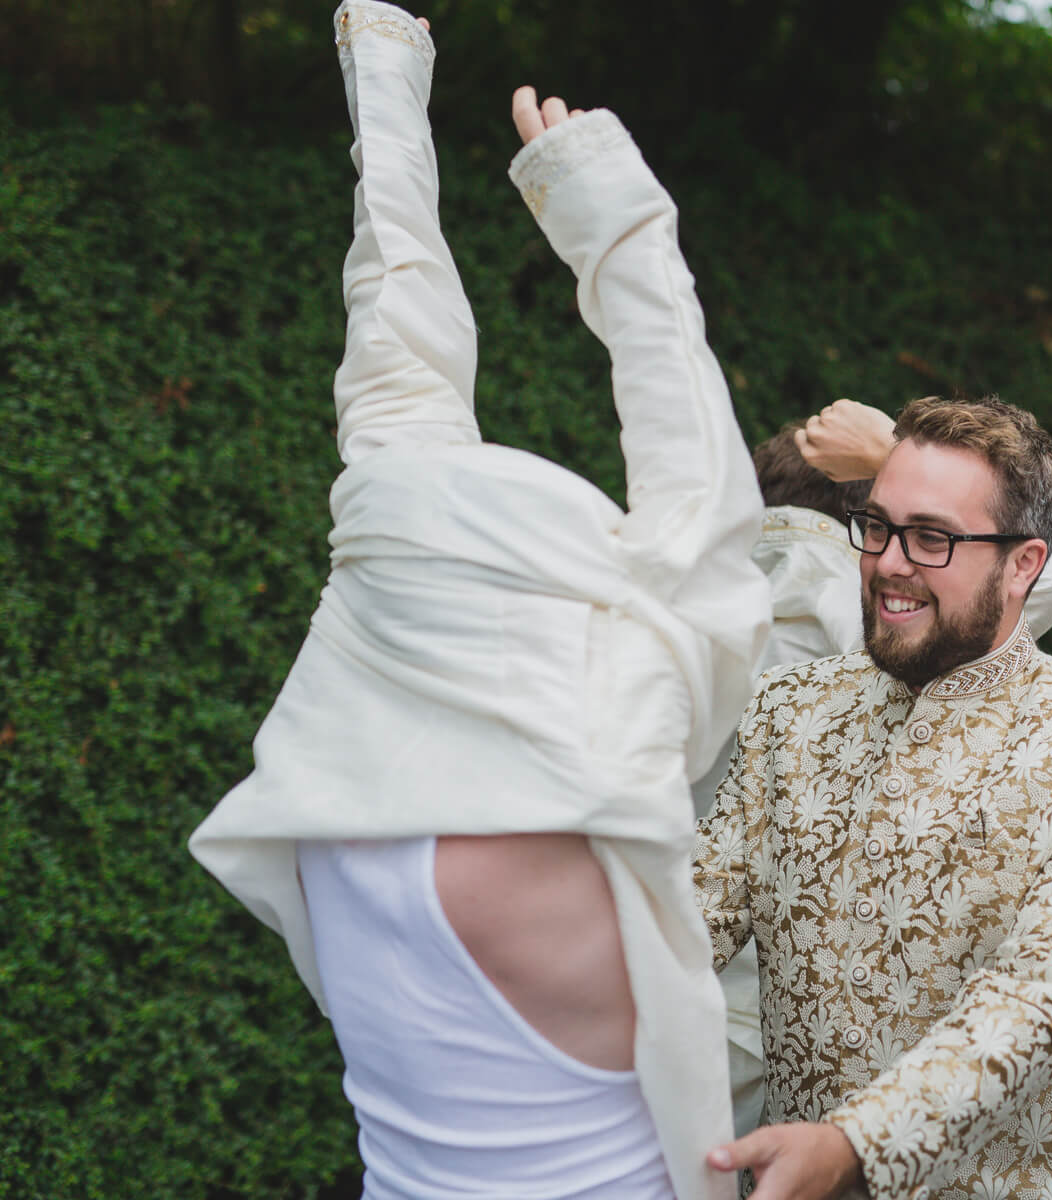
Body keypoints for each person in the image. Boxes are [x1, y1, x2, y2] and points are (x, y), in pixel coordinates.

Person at [188, 5, 763, 1198]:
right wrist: (611, 215)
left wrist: (385, 87)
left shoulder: (317, 788)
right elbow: (701, 495)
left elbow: (392, 354)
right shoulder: (596, 778)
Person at [694, 395, 1052, 1199]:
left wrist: (855, 1143)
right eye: (878, 526)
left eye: (932, 537)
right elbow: (686, 921)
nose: (890, 561)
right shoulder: (786, 709)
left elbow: (1044, 994)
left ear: (1025, 563)